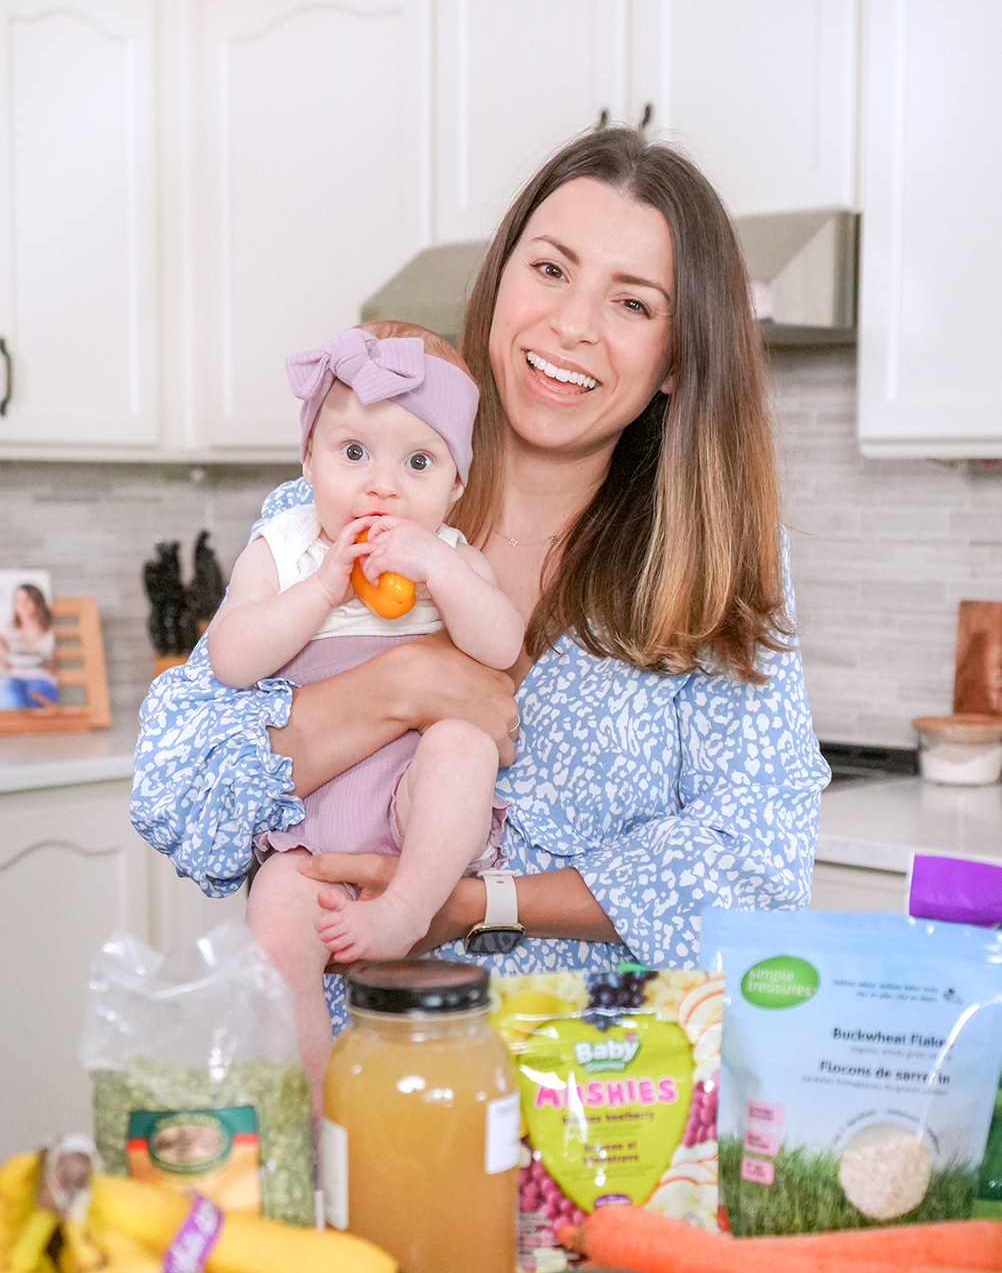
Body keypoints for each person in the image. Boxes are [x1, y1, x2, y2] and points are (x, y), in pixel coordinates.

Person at [132, 126, 830, 1096]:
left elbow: (758, 863)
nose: (574, 324)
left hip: (603, 1114)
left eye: (633, 302)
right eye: (550, 269)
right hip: (362, 1084)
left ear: (676, 357)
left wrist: (471, 900)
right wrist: (399, 686)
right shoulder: (337, 511)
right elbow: (174, 788)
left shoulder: (717, 566)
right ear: (500, 281)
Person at [205, 323, 522, 1093]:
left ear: (454, 486)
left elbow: (503, 645)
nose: (382, 487)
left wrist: (440, 569)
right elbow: (230, 656)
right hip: (311, 826)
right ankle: (320, 1121)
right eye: (354, 454)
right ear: (308, 460)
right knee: (275, 942)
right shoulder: (282, 551)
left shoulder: (448, 551)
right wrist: (319, 592)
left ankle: (408, 908)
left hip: (414, 800)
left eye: (418, 462)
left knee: (465, 750)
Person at [0, 584, 57, 709]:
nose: (22, 605)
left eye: (27, 600)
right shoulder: (9, 628)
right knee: (6, 688)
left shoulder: (49, 630)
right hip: (14, 681)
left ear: (37, 602)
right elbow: (5, 663)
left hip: (41, 680)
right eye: (18, 600)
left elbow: (53, 665)